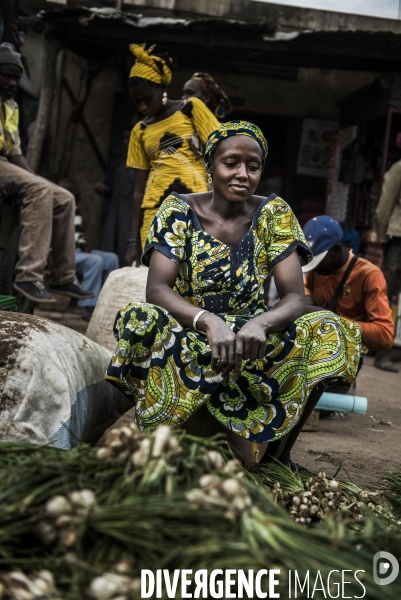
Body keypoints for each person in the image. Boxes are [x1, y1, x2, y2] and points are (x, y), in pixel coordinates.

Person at [105, 121, 361, 468]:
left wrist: (262, 324)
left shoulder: (274, 214)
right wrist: (206, 320)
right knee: (141, 317)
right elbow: (157, 289)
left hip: (251, 342)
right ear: (210, 166)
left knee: (329, 328)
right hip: (190, 336)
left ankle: (279, 457)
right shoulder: (178, 211)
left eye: (253, 166)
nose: (242, 174)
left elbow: (294, 297)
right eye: (231, 163)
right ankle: (169, 428)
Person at [0, 42, 92, 303]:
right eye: (6, 76)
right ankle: (28, 275)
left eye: (16, 78)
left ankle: (63, 276)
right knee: (40, 190)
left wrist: (38, 180)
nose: (12, 83)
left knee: (63, 197)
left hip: (6, 160)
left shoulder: (10, 107)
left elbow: (15, 153)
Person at [125, 44, 220, 266]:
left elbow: (222, 150)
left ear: (162, 88)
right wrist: (132, 242)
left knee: (196, 273)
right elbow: (139, 189)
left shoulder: (191, 108)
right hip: (154, 212)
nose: (143, 106)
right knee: (159, 280)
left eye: (147, 99)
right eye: (136, 101)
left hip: (197, 205)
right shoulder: (139, 130)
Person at [303, 216, 394, 354]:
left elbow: (385, 336)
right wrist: (307, 298)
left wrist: (333, 320)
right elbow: (306, 286)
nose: (314, 269)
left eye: (317, 261)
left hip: (346, 354)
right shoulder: (320, 269)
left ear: (337, 250)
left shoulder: (369, 275)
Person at [58, 180, 119, 322]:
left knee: (111, 259)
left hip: (78, 252)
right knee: (95, 261)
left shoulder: (75, 210)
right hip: (61, 254)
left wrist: (84, 245)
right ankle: (87, 305)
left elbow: (77, 236)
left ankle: (105, 302)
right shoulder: (56, 209)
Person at [374, 154, 401, 371]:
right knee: (387, 297)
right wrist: (384, 241)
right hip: (398, 241)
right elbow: (382, 212)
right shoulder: (398, 169)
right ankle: (381, 352)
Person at [95, 129, 136, 267]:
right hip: (114, 210)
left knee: (125, 244)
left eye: (128, 139)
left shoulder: (142, 165)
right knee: (109, 241)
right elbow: (110, 185)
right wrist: (104, 188)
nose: (125, 142)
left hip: (130, 213)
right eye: (124, 139)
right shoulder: (119, 163)